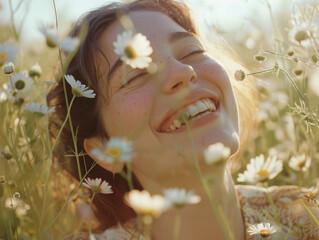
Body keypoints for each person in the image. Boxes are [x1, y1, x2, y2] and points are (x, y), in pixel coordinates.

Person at [47, 0, 319, 239]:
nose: (183, 71)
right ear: (103, 150)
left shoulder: (310, 215)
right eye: (136, 74)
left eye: (191, 52)